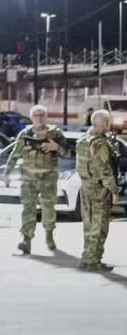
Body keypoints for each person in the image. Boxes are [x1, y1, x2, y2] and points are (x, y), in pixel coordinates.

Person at [3, 104, 68, 254]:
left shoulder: (55, 133)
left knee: (48, 209)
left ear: (46, 117)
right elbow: (15, 153)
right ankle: (26, 240)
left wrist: (56, 147)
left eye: (42, 115)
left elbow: (67, 153)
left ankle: (49, 237)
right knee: (28, 209)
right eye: (36, 115)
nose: (39, 118)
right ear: (31, 117)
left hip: (48, 178)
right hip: (28, 178)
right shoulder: (25, 133)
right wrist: (7, 173)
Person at [76, 109, 119, 271]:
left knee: (88, 224)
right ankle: (94, 261)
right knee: (99, 227)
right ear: (104, 124)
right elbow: (105, 170)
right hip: (99, 188)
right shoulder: (100, 143)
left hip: (85, 186)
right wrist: (114, 191)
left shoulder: (83, 140)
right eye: (108, 123)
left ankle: (86, 259)